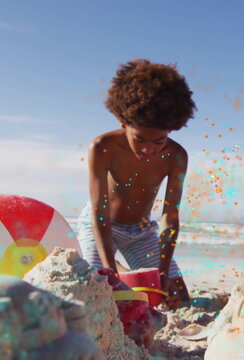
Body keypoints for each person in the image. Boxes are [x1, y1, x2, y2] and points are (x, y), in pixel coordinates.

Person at [77, 59, 195, 309]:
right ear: (123, 122)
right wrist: (110, 269)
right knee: (98, 287)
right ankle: (120, 269)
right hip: (99, 224)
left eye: (159, 141)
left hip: (140, 231)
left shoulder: (177, 157)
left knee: (179, 297)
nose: (148, 150)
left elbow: (169, 217)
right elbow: (99, 211)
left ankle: (131, 273)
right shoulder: (103, 147)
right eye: (139, 139)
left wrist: (162, 273)